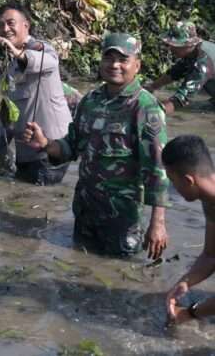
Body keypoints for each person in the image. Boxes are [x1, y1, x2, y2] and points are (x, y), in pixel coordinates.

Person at [23, 32, 169, 258]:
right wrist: (45, 143)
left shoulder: (145, 108)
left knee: (119, 275)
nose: (115, 65)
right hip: (85, 210)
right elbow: (71, 147)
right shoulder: (90, 101)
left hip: (121, 217)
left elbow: (157, 170)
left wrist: (158, 224)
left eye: (123, 60)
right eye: (109, 58)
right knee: (79, 266)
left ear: (137, 65)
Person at [0, 1, 73, 185]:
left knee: (36, 200)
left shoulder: (42, 49)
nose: (5, 29)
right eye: (0, 25)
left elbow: (48, 62)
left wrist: (16, 52)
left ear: (26, 25)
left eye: (10, 23)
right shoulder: (10, 66)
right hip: (27, 152)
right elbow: (10, 115)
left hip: (50, 150)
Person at [163, 135, 215, 325]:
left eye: (171, 179)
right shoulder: (210, 202)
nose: (172, 187)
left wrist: (190, 313)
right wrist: (184, 283)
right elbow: (210, 255)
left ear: (188, 180)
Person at [146, 21, 215, 114]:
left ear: (188, 44)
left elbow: (182, 98)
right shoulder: (193, 51)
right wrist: (152, 87)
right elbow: (175, 72)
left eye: (175, 45)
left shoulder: (202, 61)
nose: (170, 48)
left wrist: (154, 113)